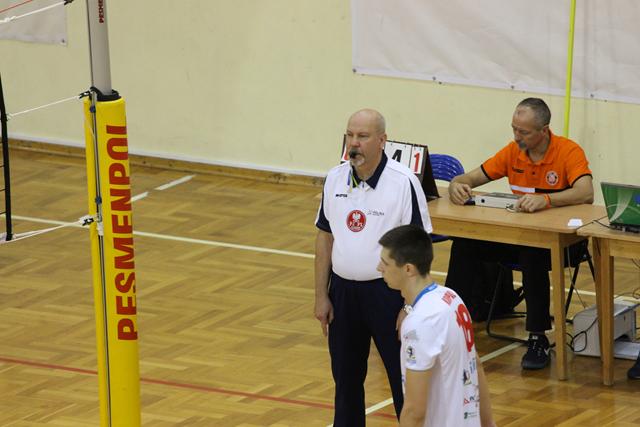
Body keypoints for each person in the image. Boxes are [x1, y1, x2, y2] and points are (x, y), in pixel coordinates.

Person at [446, 97, 594, 370]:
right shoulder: (513, 151)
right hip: (522, 236)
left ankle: (538, 338)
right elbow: (471, 177)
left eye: (523, 132)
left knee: (532, 251)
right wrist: (458, 184)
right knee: (466, 243)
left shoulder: (568, 151)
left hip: (564, 243)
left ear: (544, 130)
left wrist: (546, 200)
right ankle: (448, 321)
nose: (516, 136)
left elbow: (586, 192)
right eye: (514, 129)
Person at [314, 109, 432, 426]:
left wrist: (410, 305)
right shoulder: (334, 178)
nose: (354, 142)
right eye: (350, 135)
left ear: (382, 141)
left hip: (388, 296)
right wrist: (321, 296)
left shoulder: (403, 182)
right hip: (342, 294)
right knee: (345, 380)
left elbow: (420, 247)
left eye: (363, 136)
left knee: (401, 380)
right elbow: (324, 238)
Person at [377, 224, 495, 427]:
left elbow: (415, 411)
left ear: (408, 269)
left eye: (385, 263)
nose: (379, 268)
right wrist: (488, 423)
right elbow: (475, 364)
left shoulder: (420, 322)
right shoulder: (451, 297)